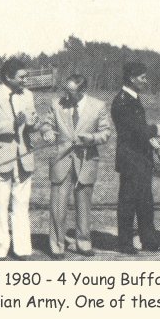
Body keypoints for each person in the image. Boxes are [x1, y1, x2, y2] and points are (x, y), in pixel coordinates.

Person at [41, 74, 111, 258]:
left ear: (83, 91)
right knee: (58, 204)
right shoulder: (57, 104)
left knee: (84, 205)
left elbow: (105, 132)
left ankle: (84, 242)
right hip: (61, 161)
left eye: (71, 92)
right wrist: (47, 132)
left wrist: (92, 138)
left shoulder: (98, 106)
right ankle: (57, 245)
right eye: (66, 91)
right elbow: (46, 124)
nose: (67, 96)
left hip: (86, 160)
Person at [111, 61, 160, 254]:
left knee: (145, 201)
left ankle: (149, 240)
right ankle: (125, 243)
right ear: (131, 78)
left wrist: (150, 141)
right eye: (142, 77)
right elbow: (136, 129)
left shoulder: (132, 98)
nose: (146, 81)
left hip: (140, 158)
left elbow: (138, 130)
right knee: (128, 202)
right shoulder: (122, 100)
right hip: (131, 160)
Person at [0, 58, 39, 260]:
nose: (25, 80)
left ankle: (22, 249)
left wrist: (33, 123)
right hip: (0, 158)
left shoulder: (28, 95)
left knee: (21, 204)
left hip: (23, 157)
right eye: (22, 77)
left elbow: (30, 123)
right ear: (8, 76)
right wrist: (12, 124)